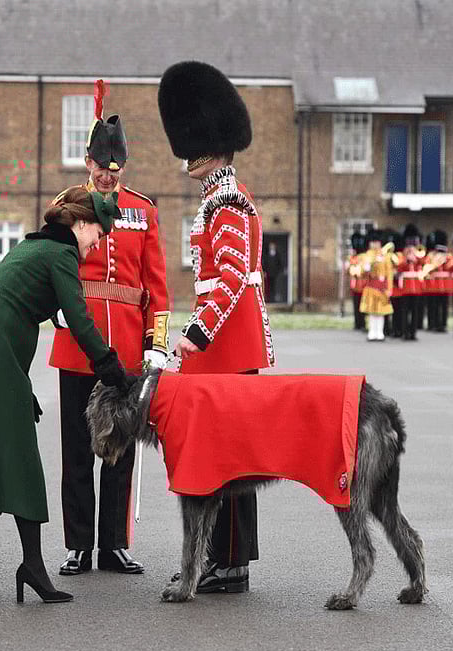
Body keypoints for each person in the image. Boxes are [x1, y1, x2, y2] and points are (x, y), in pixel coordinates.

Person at [0, 187, 133, 604]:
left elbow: (13, 307)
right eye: (97, 232)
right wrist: (113, 370)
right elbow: (79, 318)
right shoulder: (62, 255)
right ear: (78, 224)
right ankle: (33, 567)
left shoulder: (36, 247)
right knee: (22, 457)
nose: (99, 242)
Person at [159, 60, 275, 593]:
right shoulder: (217, 198)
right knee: (223, 455)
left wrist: (197, 334)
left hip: (225, 346)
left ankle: (228, 562)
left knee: (226, 456)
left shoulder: (225, 201)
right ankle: (222, 558)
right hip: (223, 345)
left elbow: (229, 280)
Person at [49, 81, 169, 577]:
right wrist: (52, 307)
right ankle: (78, 544)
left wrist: (155, 342)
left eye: (113, 172)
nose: (105, 179)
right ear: (87, 162)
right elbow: (47, 264)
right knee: (77, 449)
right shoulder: (67, 205)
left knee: (118, 448)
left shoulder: (143, 210)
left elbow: (155, 284)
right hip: (79, 344)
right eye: (99, 170)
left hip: (125, 350)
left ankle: (114, 543)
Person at [358, 230, 393, 341]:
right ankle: (372, 331)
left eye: (376, 242)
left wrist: (389, 288)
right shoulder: (367, 255)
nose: (374, 244)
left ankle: (380, 332)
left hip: (382, 286)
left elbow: (389, 274)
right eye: (373, 242)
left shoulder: (386, 256)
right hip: (371, 285)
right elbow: (363, 272)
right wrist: (370, 264)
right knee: (372, 311)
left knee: (381, 311)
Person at [346, 233, 367, 331]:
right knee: (356, 305)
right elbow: (349, 269)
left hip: (363, 284)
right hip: (355, 284)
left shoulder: (364, 257)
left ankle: (362, 323)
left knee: (363, 305)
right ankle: (357, 323)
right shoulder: (352, 257)